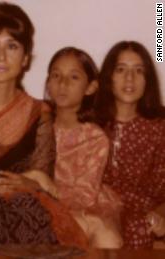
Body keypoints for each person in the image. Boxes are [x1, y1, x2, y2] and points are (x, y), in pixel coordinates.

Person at [0, 2, 87, 251]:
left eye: (11, 46)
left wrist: (22, 184)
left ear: (25, 59)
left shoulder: (39, 112)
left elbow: (41, 179)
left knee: (26, 208)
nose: (1, 57)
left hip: (25, 205)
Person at [44, 47, 122, 248]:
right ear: (48, 82)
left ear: (90, 87)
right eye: (56, 75)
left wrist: (44, 186)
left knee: (106, 236)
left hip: (79, 206)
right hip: (35, 203)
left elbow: (84, 197)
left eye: (74, 77)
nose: (63, 83)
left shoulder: (94, 137)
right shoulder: (36, 123)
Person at [95, 41, 165, 249]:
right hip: (96, 214)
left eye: (138, 71)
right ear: (109, 77)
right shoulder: (91, 124)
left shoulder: (159, 128)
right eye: (121, 69)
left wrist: (159, 217)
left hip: (142, 218)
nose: (129, 78)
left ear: (147, 80)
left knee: (138, 228)